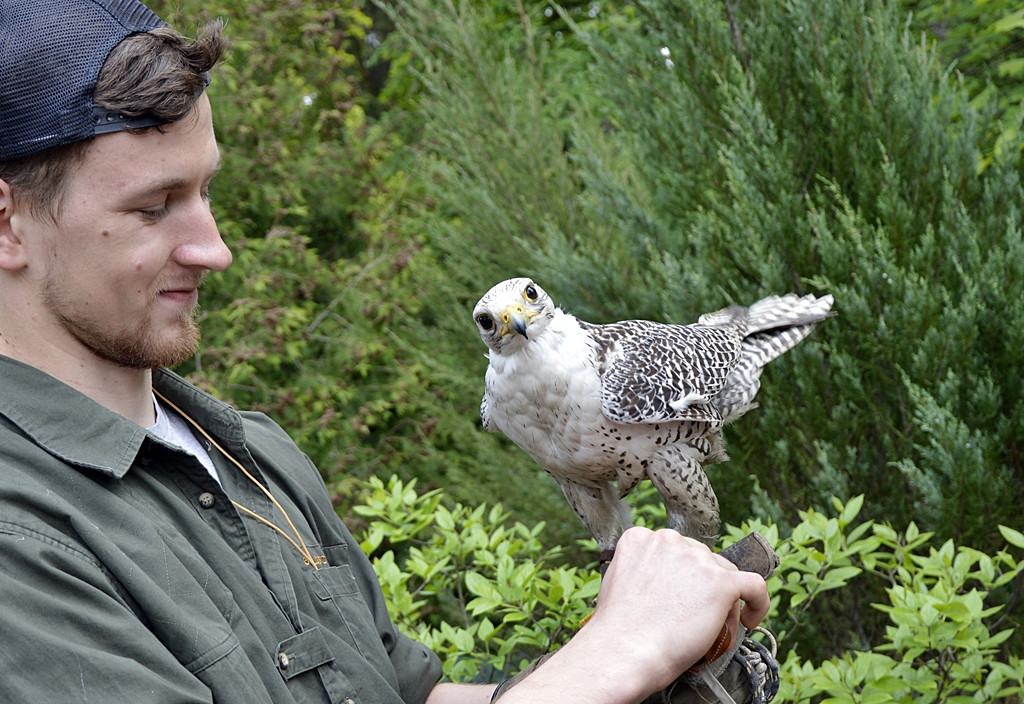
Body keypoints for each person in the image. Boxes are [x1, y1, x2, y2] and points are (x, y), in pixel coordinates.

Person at [0, 1, 771, 703]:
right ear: (9, 225)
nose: (215, 248)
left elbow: (406, 697)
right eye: (154, 207)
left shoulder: (248, 455)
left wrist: (652, 671)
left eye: (205, 192)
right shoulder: (20, 537)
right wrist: (618, 652)